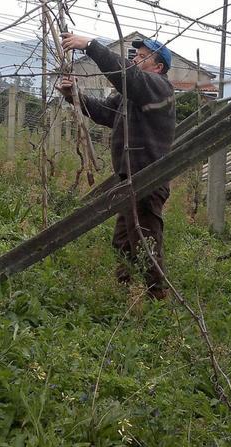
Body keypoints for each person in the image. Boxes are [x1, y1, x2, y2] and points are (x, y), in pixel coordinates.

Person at [57, 33, 176, 300]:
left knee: (147, 243)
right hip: (130, 180)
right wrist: (73, 95)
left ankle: (157, 299)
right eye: (135, 54)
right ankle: (124, 294)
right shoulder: (131, 95)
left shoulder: (158, 87)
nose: (135, 58)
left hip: (148, 180)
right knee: (123, 242)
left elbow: (127, 77)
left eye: (143, 56)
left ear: (158, 68)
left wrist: (90, 46)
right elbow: (103, 113)